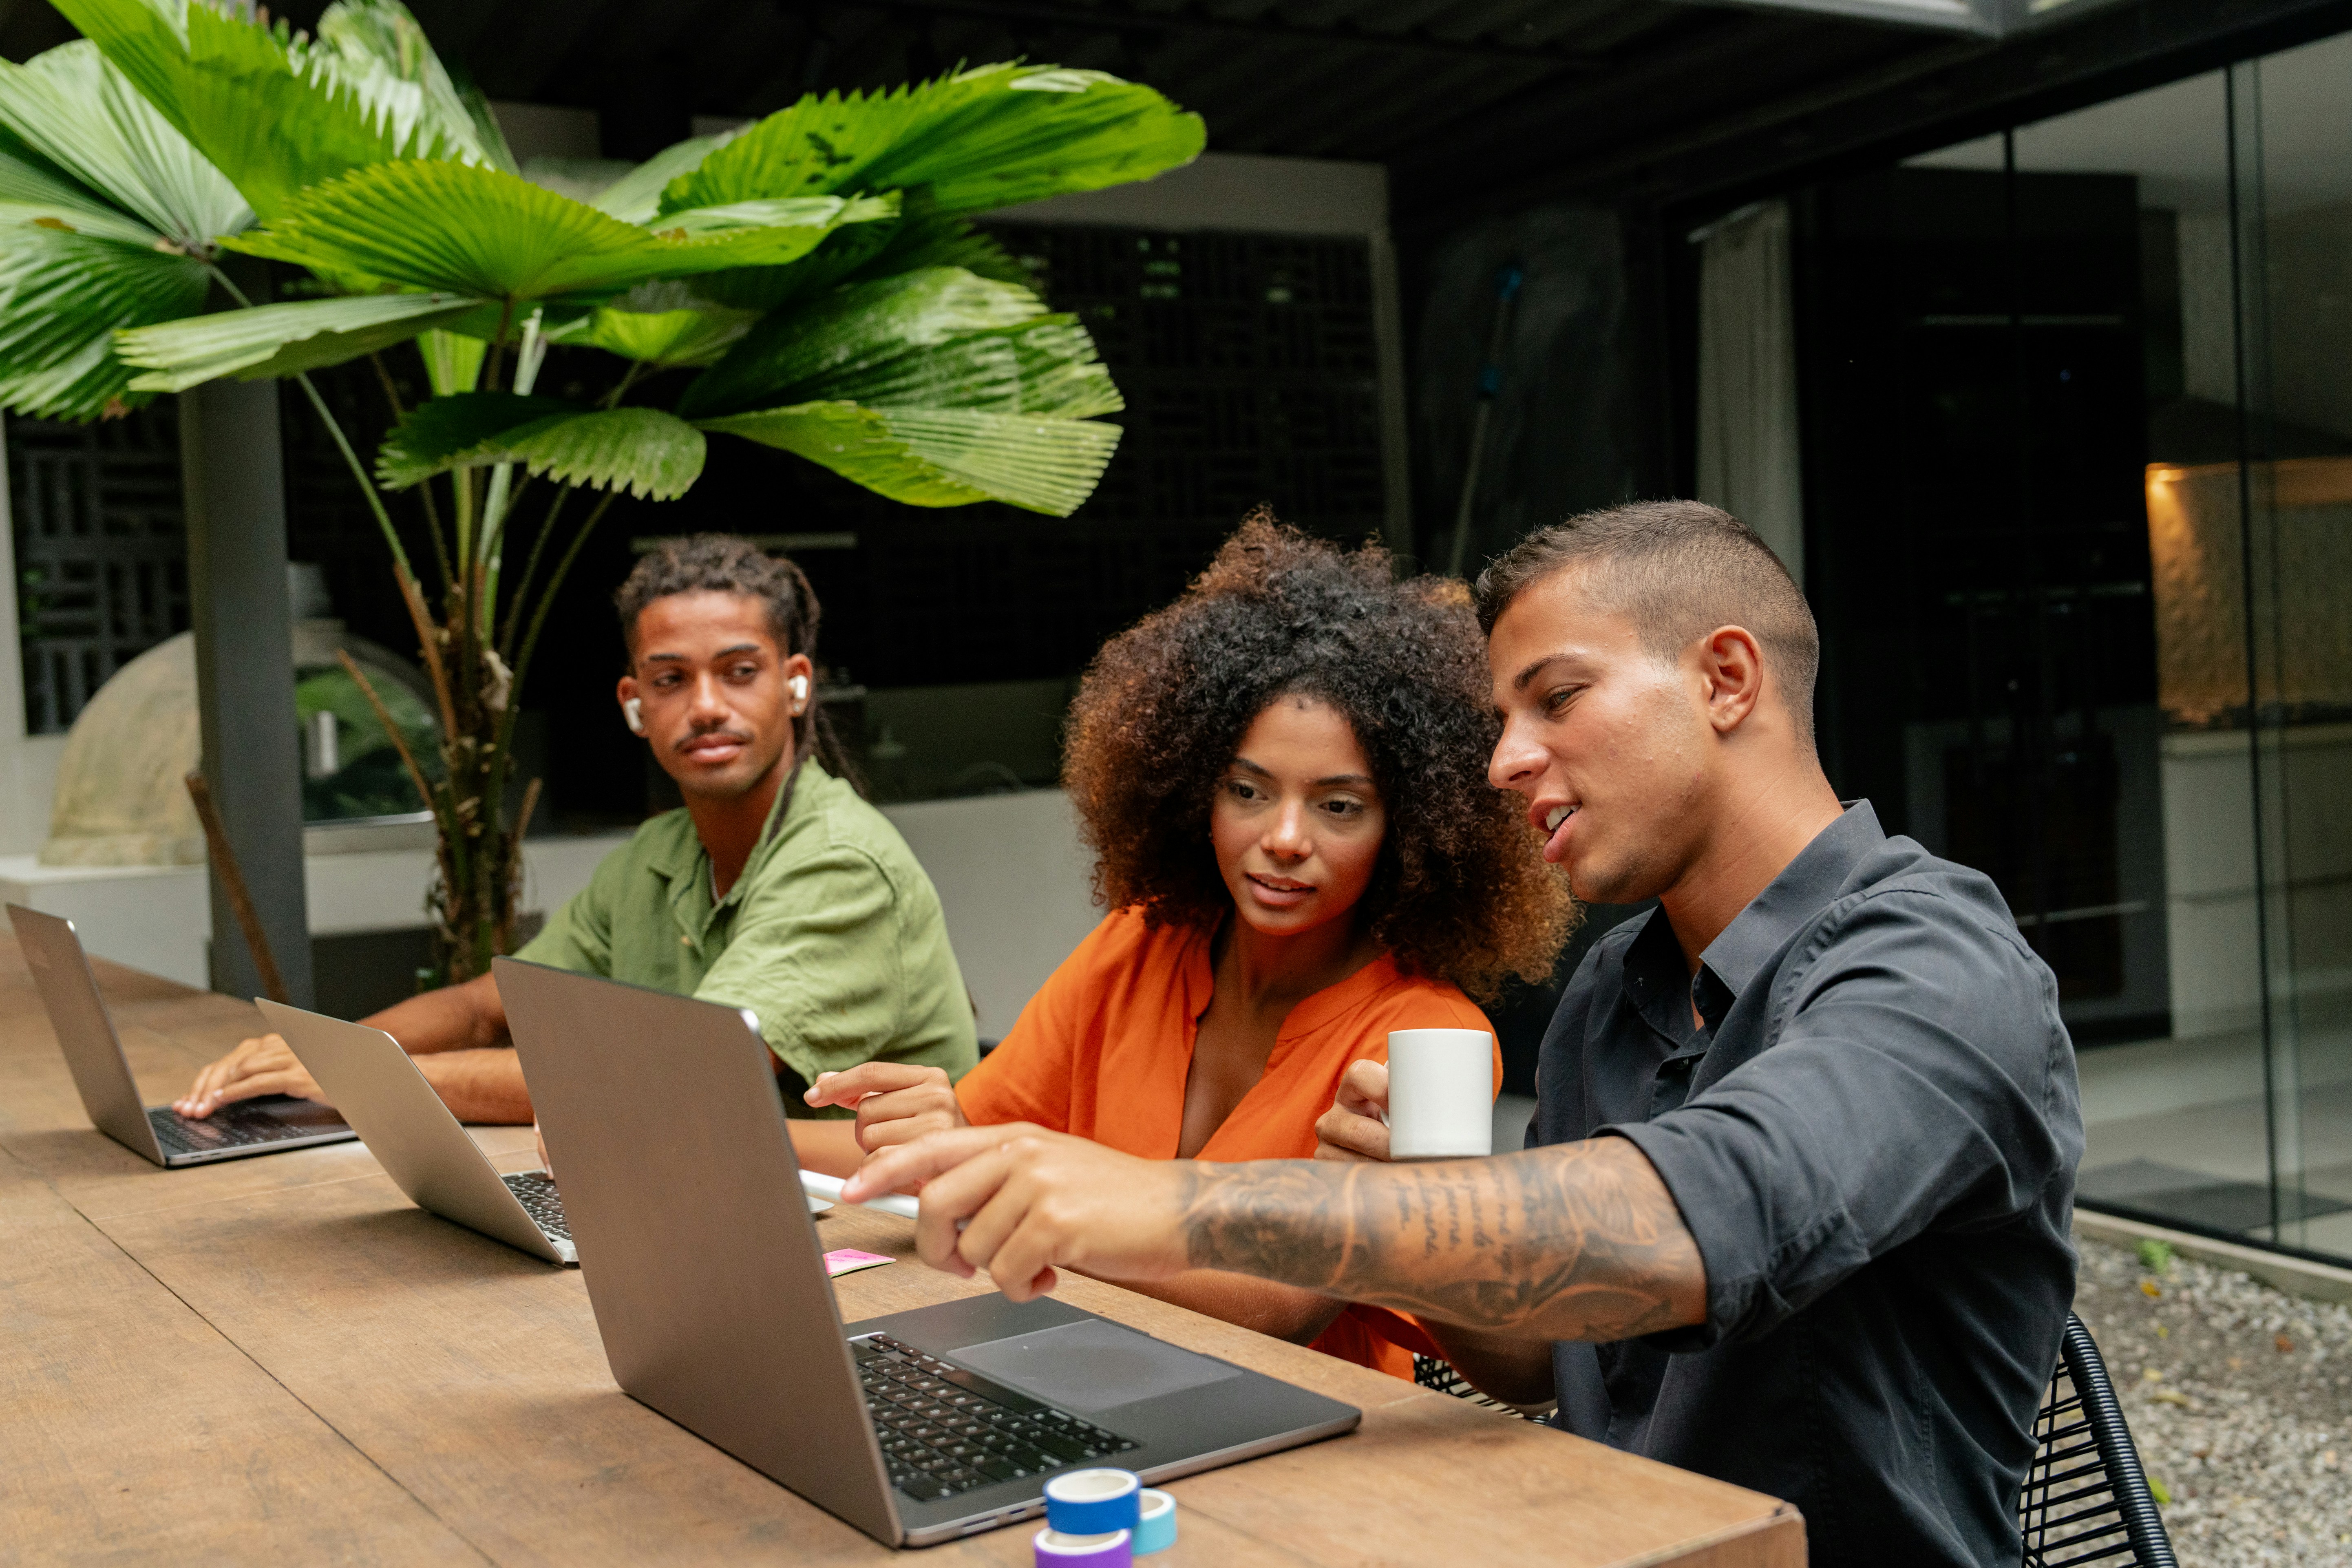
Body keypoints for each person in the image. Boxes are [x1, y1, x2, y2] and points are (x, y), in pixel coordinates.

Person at [845, 501, 2083, 1566]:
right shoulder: (1612, 992)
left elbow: (1691, 1219)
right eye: (1498, 718)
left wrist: (1161, 1200)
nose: (1503, 761)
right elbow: (1545, 1354)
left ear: (1724, 678)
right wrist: (1409, 1219)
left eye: (1555, 698)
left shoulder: (1938, 968)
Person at [810, 515, 1572, 1378]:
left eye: (1337, 806)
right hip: (1074, 1373)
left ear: (1412, 828)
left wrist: (998, 1180)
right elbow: (973, 1137)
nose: (1283, 839)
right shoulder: (1141, 942)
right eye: (1246, 790)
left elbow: (1282, 1304)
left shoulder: (1427, 1037)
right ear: (1190, 793)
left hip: (1301, 1440)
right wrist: (778, 1137)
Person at [175, 535, 978, 1173]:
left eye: (739, 674)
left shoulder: (840, 865)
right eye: (670, 680)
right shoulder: (658, 853)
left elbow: (666, 1079)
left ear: (795, 685)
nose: (706, 707)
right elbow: (490, 1005)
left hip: (881, 1245)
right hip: (699, 1198)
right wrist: (324, 1051)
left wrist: (361, 1080)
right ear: (635, 704)